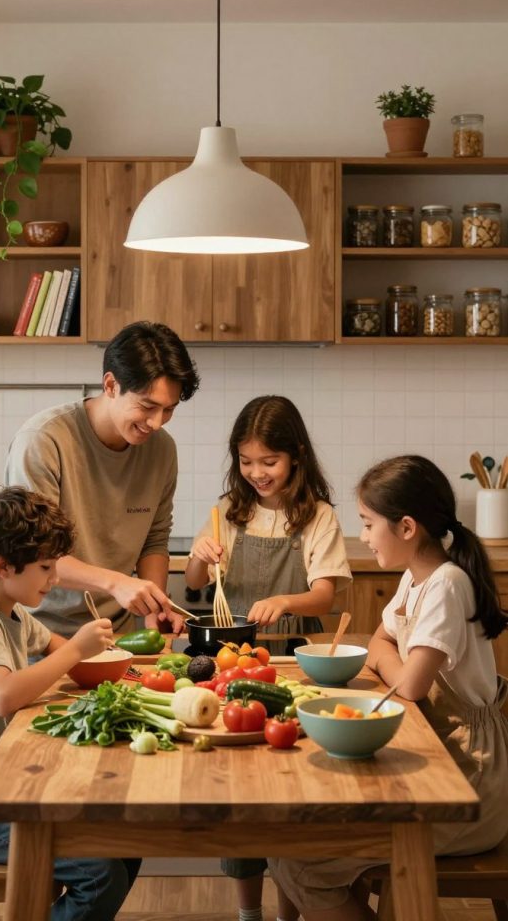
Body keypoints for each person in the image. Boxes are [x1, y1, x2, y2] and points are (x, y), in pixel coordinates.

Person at [269, 454, 508, 921]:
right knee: (287, 848)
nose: (362, 537)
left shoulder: (446, 585)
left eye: (367, 523)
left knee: (302, 864)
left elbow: (413, 685)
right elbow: (378, 641)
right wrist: (388, 659)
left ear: (405, 528)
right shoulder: (415, 578)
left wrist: (388, 661)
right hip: (432, 769)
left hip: (468, 786)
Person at [0, 486, 141, 921]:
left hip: (3, 791)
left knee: (126, 844)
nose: (54, 579)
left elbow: (58, 645)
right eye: (45, 568)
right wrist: (76, 651)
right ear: (3, 566)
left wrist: (127, 673)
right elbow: (3, 696)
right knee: (99, 874)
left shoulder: (12, 612)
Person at [186, 395, 352, 921]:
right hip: (235, 657)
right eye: (246, 461)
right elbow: (194, 586)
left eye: (269, 462)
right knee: (240, 796)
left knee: (290, 791)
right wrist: (196, 555)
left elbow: (325, 595)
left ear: (296, 456)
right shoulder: (227, 512)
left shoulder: (318, 516)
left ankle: (289, 912)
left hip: (296, 657)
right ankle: (248, 912)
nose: (256, 473)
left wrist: (287, 600)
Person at [4, 320, 200, 637]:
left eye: (169, 409)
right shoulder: (44, 440)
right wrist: (116, 581)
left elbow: (154, 540)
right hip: (38, 635)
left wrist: (154, 606)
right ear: (110, 385)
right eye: (147, 406)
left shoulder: (162, 450)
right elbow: (33, 552)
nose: (156, 423)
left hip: (113, 636)